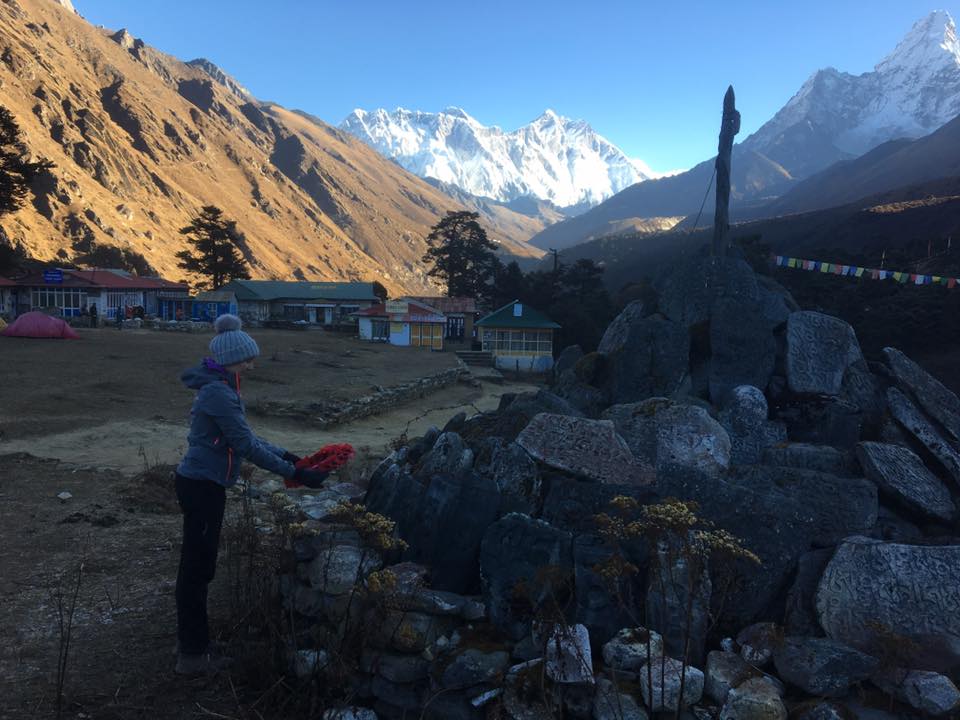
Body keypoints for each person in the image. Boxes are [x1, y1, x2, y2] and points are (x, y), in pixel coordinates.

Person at [173, 314, 327, 675]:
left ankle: (196, 644)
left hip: (206, 484)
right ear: (230, 359)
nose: (252, 364)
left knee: (199, 567)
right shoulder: (218, 393)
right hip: (202, 487)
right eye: (247, 359)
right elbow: (244, 445)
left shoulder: (222, 387)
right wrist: (295, 473)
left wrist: (289, 456)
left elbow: (247, 437)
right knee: (197, 571)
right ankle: (193, 655)